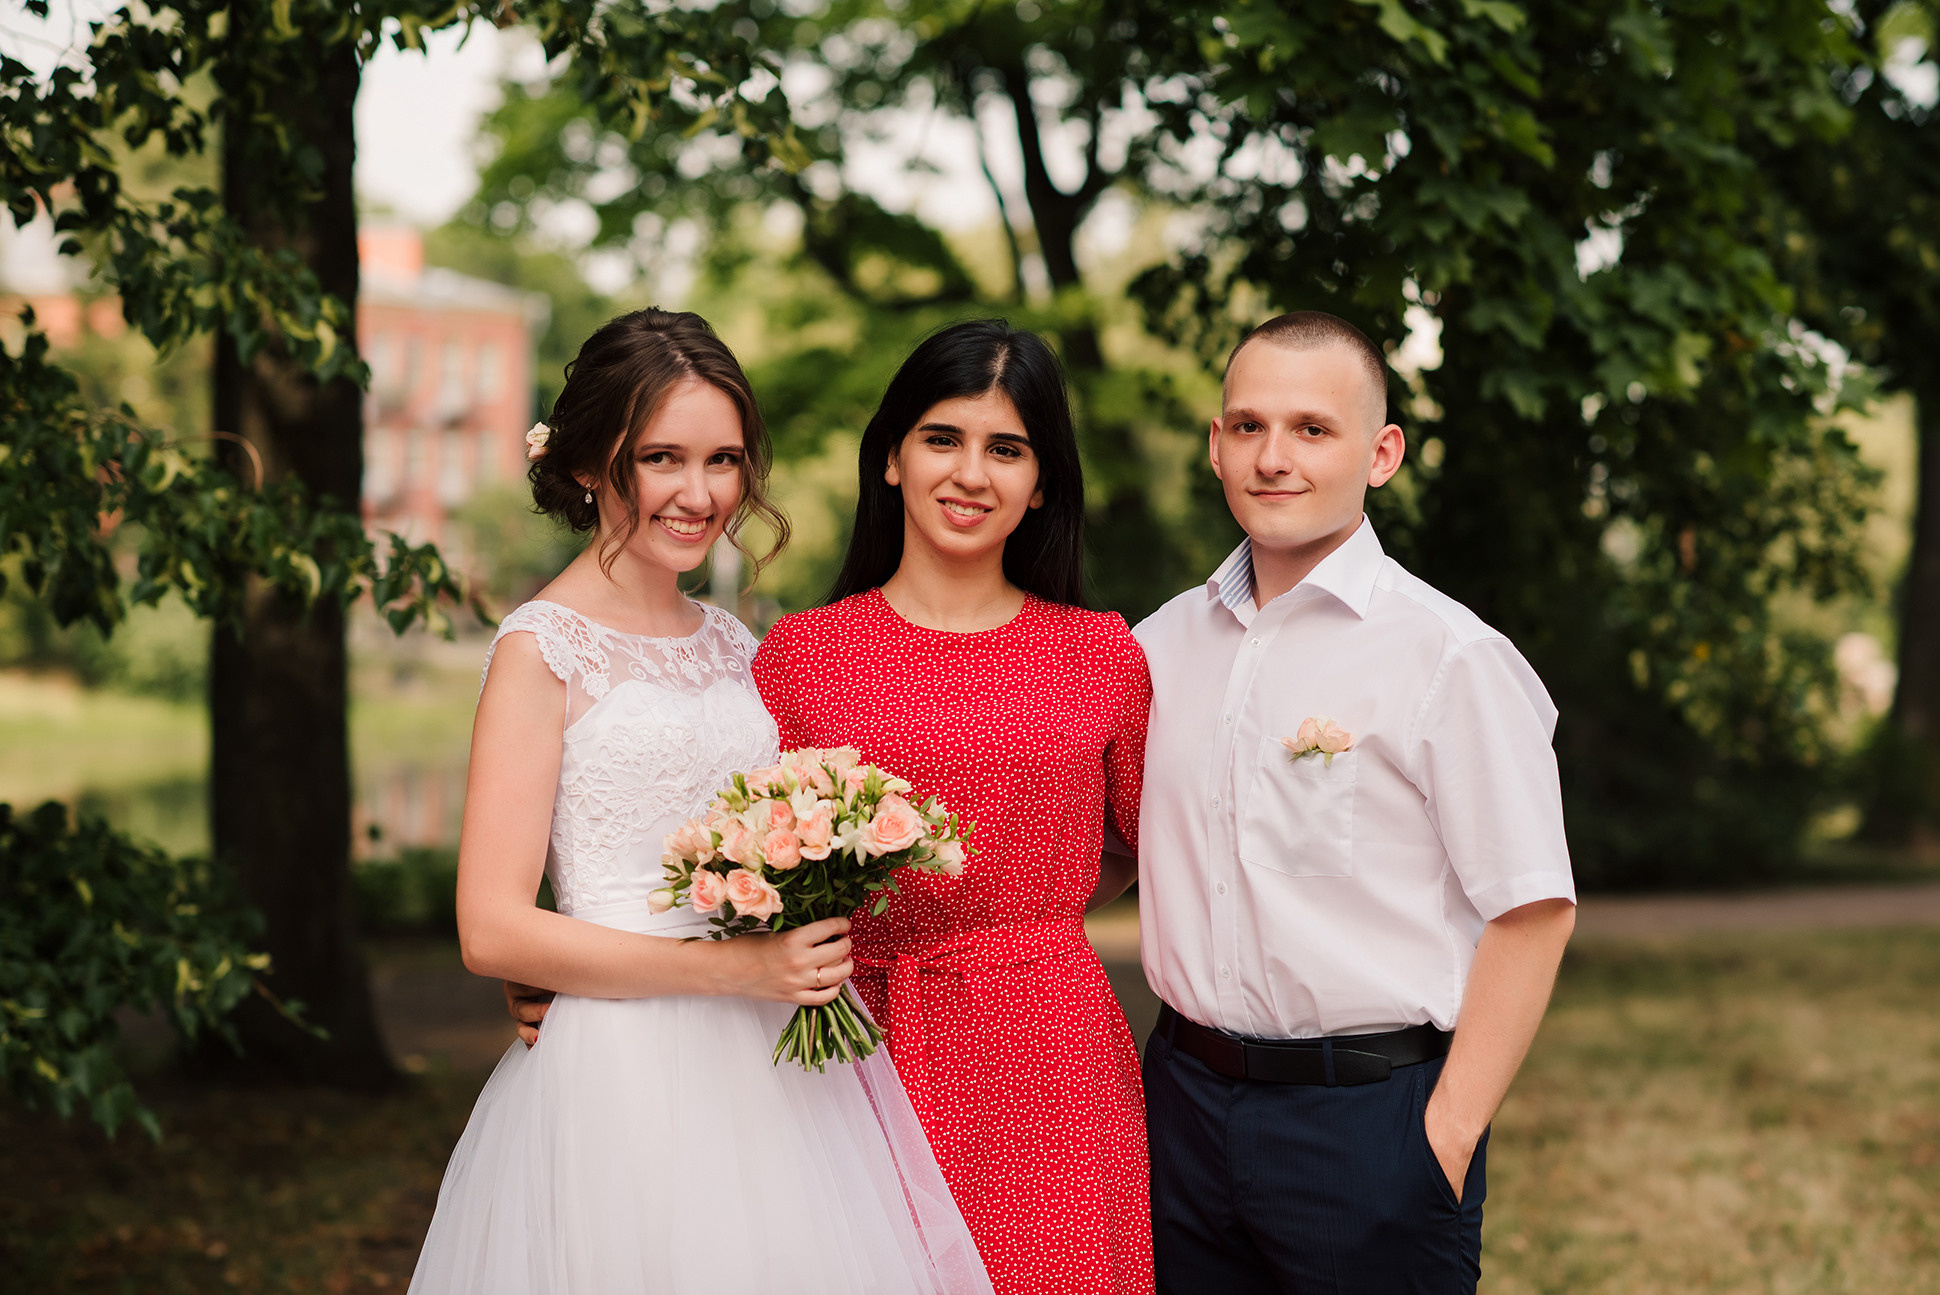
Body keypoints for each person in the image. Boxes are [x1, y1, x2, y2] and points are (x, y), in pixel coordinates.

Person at [408, 309, 991, 1295]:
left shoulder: (732, 641)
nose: (697, 492)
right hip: (621, 1075)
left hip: (776, 1063)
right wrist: (734, 970)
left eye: (721, 459)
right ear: (593, 461)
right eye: (661, 458)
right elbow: (491, 926)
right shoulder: (537, 651)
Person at [1126, 311, 1577, 1294]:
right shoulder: (1156, 647)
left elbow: (1531, 908)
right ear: (1213, 445)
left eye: (1310, 429)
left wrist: (1442, 1136)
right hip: (1181, 1107)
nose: (1271, 457)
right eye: (1246, 426)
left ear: (1379, 453)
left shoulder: (1448, 656)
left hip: (1369, 1123)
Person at [750, 319, 1156, 1295]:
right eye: (942, 438)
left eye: (1005, 448)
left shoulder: (1099, 651)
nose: (969, 472)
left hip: (1046, 1057)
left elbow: (1149, 845)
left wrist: (1016, 917)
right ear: (890, 457)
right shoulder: (798, 655)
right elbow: (733, 869)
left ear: (1042, 481)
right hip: (850, 1045)